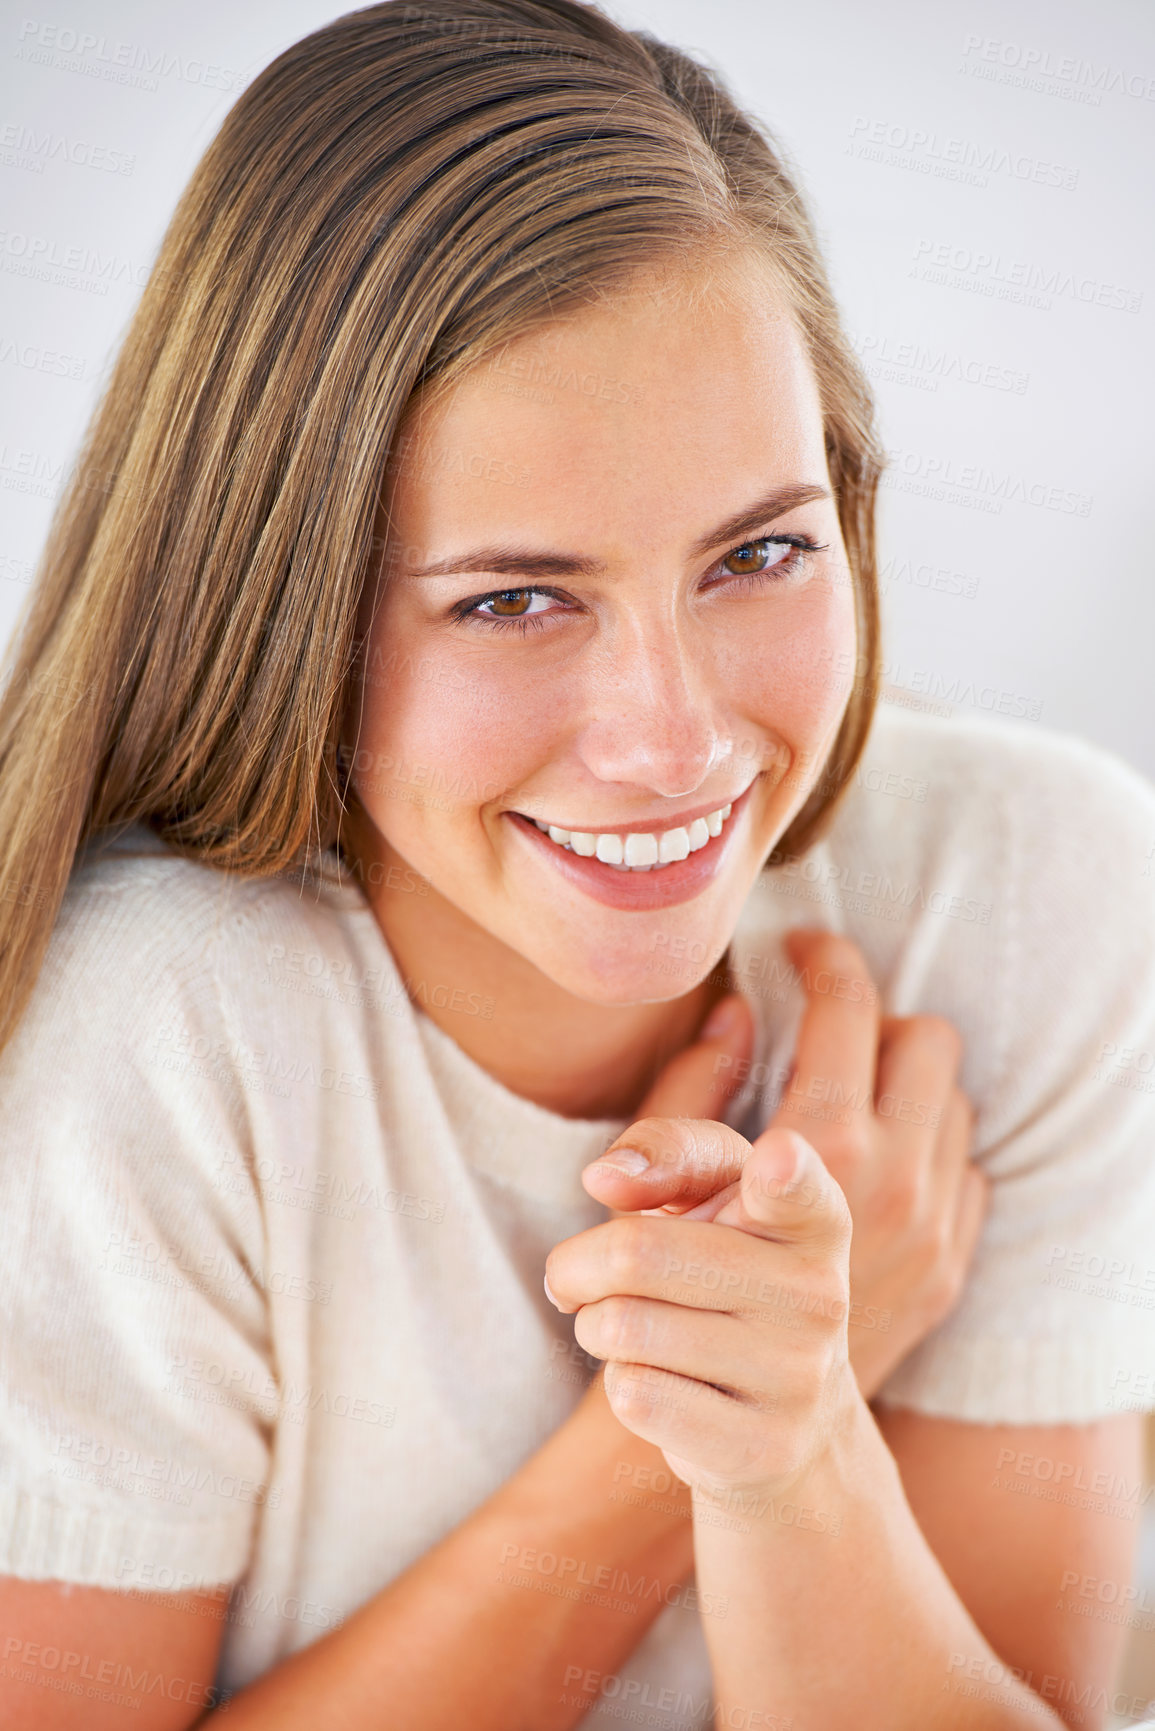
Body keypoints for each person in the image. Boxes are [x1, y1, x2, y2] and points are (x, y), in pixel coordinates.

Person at [0, 2, 1152, 1726]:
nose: (672, 740)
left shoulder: (1029, 886)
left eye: (759, 552)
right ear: (281, 600)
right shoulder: (161, 1026)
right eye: (514, 600)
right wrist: (685, 1427)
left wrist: (792, 1460)